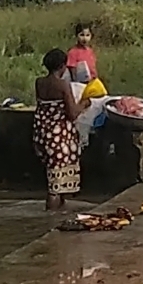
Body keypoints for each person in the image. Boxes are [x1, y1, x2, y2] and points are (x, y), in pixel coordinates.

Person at [33, 48, 91, 211]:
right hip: (60, 138)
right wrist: (84, 103)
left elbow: (44, 107)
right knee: (55, 188)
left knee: (55, 179)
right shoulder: (62, 85)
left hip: (43, 134)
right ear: (63, 66)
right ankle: (51, 218)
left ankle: (58, 213)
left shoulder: (39, 82)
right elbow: (72, 113)